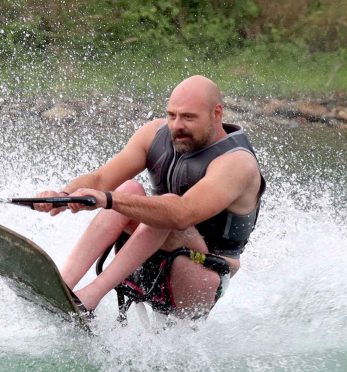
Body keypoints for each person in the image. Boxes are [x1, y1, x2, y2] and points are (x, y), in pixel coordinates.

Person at [36, 75, 265, 319]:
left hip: (203, 275)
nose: (177, 125)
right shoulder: (154, 135)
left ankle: (89, 297)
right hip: (156, 257)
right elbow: (102, 180)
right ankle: (62, 287)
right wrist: (63, 196)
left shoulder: (237, 163)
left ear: (216, 113)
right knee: (129, 190)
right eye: (172, 115)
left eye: (188, 117)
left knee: (163, 211)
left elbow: (181, 213)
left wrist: (106, 199)